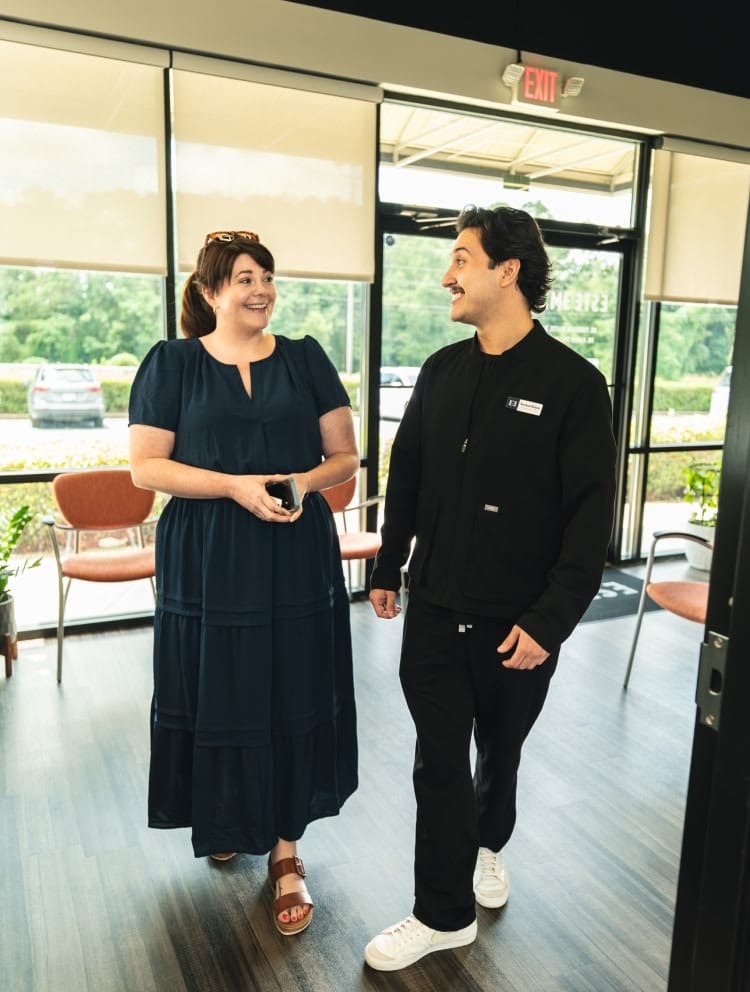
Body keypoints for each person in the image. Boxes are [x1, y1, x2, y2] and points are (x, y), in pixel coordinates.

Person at [365, 205, 617, 971]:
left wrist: (550, 622)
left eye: (462, 258)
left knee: (498, 752)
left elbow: (588, 521)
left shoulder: (574, 385)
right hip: (437, 607)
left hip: (519, 622)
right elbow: (405, 472)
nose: (448, 274)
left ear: (507, 271)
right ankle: (442, 913)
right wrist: (388, 562)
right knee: (437, 758)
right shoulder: (443, 370)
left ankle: (489, 842)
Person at [128, 229, 360, 936]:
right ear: (208, 293)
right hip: (208, 552)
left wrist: (298, 481)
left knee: (291, 686)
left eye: (266, 276)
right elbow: (147, 469)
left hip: (294, 550)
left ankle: (287, 853)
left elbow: (345, 456)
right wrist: (233, 486)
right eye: (243, 279)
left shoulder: (306, 357)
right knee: (220, 686)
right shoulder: (172, 363)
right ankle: (226, 813)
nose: (260, 290)